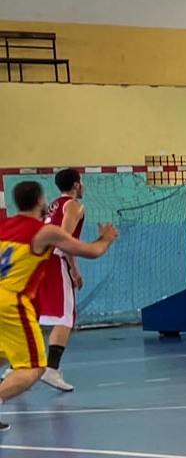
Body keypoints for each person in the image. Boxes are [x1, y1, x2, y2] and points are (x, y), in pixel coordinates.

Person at [0, 181, 117, 431]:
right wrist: (106, 238)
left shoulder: (3, 226)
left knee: (3, 355)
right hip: (11, 302)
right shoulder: (45, 232)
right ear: (40, 200)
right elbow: (91, 251)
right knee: (34, 368)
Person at [37, 168, 86, 391]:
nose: (83, 186)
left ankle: (17, 366)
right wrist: (74, 270)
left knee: (38, 314)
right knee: (66, 316)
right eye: (81, 182)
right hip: (55, 260)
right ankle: (51, 370)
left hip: (39, 260)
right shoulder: (73, 205)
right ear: (76, 185)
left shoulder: (53, 205)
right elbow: (64, 239)